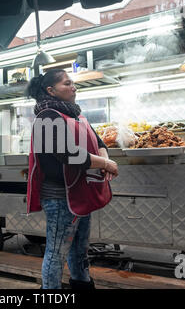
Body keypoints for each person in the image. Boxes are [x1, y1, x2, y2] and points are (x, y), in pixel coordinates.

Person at [25, 69, 118, 289]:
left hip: (79, 193)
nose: (73, 87)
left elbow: (99, 143)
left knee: (79, 249)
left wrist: (105, 159)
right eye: (67, 84)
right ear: (51, 90)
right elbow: (68, 154)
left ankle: (82, 284)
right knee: (57, 252)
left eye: (73, 83)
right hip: (59, 197)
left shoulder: (76, 115)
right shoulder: (46, 117)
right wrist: (104, 164)